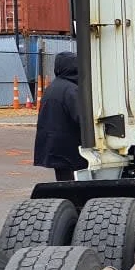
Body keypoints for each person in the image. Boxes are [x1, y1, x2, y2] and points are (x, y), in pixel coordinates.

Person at [34, 52, 86, 181]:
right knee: (74, 181)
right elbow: (81, 117)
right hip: (69, 145)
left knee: (63, 179)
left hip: (54, 143)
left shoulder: (53, 87)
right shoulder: (71, 89)